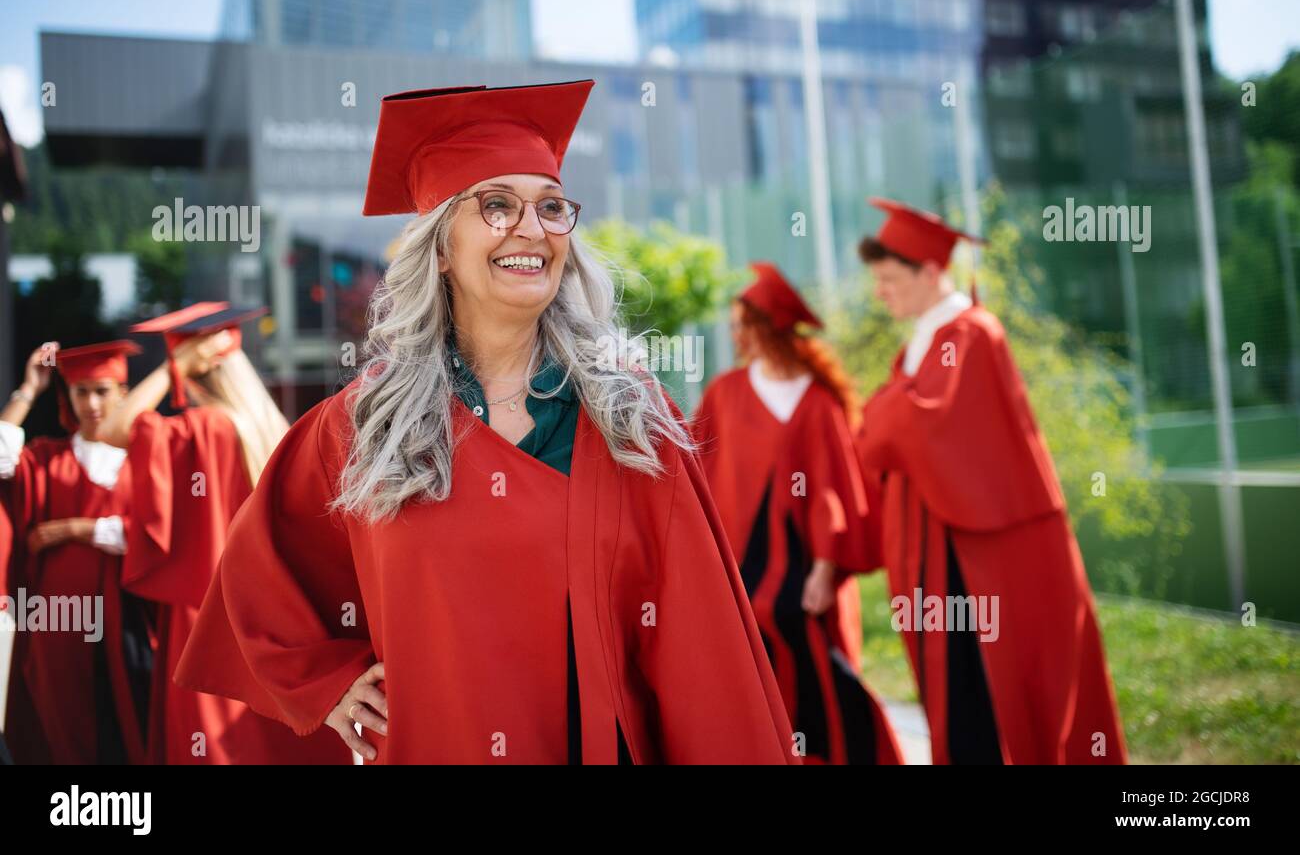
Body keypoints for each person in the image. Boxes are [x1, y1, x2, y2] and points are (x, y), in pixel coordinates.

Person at [173, 80, 798, 765]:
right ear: (440, 247)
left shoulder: (627, 417)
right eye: (496, 205)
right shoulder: (360, 427)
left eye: (551, 207)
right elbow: (255, 582)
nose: (531, 229)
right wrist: (327, 683)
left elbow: (703, 646)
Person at [854, 197, 1127, 764]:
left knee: (1000, 690)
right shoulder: (925, 341)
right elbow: (883, 430)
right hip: (953, 548)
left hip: (996, 554)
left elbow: (907, 426)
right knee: (965, 689)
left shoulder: (969, 333)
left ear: (930, 271)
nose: (879, 292)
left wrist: (885, 410)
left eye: (887, 278)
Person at [96, 306, 345, 764]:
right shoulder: (269, 428)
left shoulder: (206, 427)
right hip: (265, 612)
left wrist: (175, 364)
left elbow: (114, 430)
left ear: (196, 369)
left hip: (210, 613)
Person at [692, 263, 903, 765]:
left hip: (808, 573)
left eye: (745, 321)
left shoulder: (818, 404)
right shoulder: (726, 394)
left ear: (769, 327)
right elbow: (698, 477)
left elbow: (838, 491)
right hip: (740, 566)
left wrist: (827, 571)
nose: (736, 332)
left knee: (818, 670)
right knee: (748, 665)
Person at [0, 340, 153, 764]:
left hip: (133, 617)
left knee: (131, 722)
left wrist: (76, 529)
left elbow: (159, 535)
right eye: (79, 391)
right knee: (62, 729)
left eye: (102, 391)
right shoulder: (47, 458)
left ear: (123, 392)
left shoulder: (147, 455)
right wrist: (28, 390)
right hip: (60, 621)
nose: (91, 403)